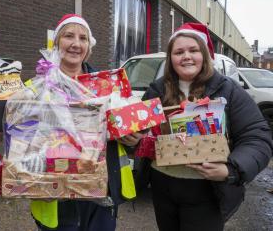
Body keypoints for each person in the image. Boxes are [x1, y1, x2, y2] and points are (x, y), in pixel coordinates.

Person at [142, 22, 273, 231]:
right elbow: (141, 134)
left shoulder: (227, 90)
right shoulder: (156, 91)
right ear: (171, 59)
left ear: (204, 55)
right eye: (179, 52)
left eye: (193, 50)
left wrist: (230, 169)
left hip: (206, 190)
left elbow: (257, 137)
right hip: (162, 186)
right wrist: (134, 139)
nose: (186, 56)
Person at [30, 14, 144, 231]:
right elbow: (23, 139)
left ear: (88, 47)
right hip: (56, 193)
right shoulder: (37, 87)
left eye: (83, 38)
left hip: (102, 190)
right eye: (68, 36)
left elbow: (125, 133)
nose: (76, 43)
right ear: (56, 43)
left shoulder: (107, 86)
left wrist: (131, 139)